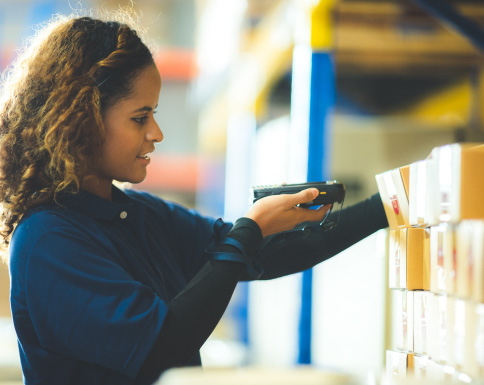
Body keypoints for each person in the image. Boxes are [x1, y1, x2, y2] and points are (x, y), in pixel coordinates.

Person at [0, 12, 388, 385]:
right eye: (140, 117)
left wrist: (389, 204)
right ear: (83, 118)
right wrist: (248, 231)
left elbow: (259, 255)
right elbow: (159, 349)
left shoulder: (136, 215)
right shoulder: (47, 240)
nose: (156, 133)